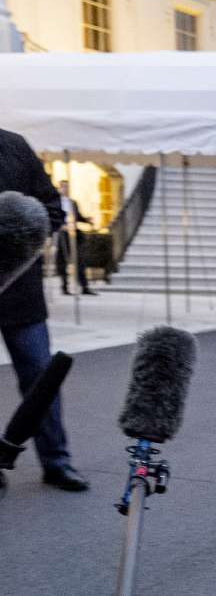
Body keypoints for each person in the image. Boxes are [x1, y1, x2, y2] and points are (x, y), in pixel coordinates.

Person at [0, 130, 89, 491]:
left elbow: (52, 207)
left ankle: (57, 461)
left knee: (40, 376)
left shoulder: (14, 147)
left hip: (20, 289)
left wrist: (22, 237)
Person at [54, 180, 97, 296]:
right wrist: (60, 225)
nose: (65, 189)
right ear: (60, 188)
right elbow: (54, 218)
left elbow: (78, 217)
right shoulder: (56, 203)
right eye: (63, 187)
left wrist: (87, 220)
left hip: (75, 233)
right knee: (63, 261)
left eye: (67, 187)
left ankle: (84, 286)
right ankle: (64, 287)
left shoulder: (73, 203)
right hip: (63, 234)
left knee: (80, 260)